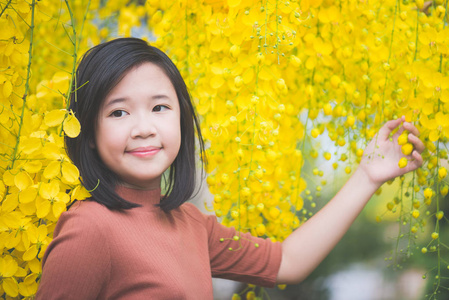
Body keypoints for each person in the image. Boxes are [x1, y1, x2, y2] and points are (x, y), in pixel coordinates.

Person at [36, 38, 424, 299]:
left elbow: (288, 261)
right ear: (87, 132)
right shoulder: (89, 230)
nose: (144, 128)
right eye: (118, 111)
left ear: (182, 119)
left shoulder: (190, 224)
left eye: (160, 107)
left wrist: (367, 176)